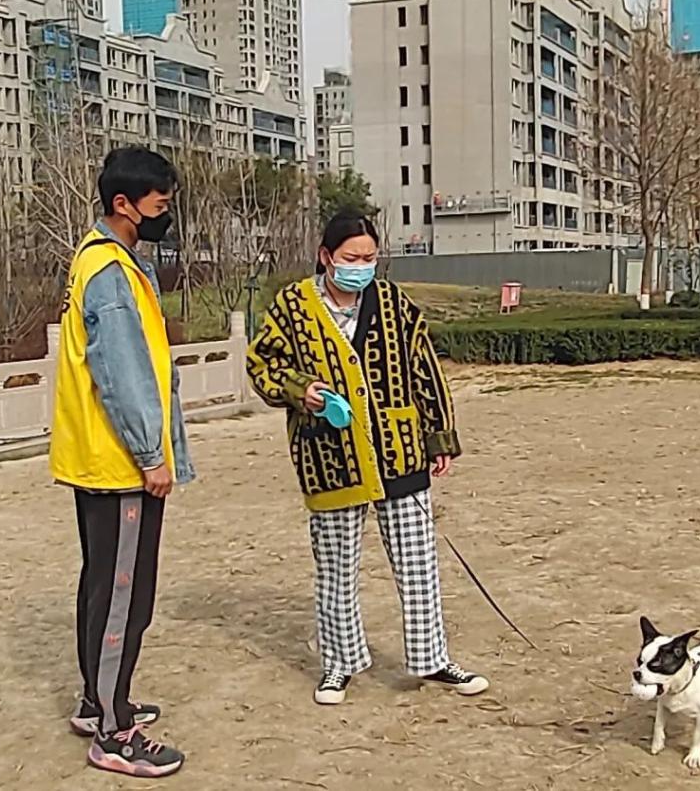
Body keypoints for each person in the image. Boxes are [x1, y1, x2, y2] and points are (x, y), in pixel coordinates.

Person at [246, 209, 489, 705]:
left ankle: (432, 657)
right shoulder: (293, 306)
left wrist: (440, 436)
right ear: (326, 256)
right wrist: (300, 389)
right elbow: (262, 363)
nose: (361, 267)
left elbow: (424, 367)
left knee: (418, 562)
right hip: (329, 455)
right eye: (351, 258)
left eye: (369, 258)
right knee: (336, 567)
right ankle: (339, 663)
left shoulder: (393, 302)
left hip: (399, 449)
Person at [49, 146, 193, 778]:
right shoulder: (110, 272)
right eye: (160, 205)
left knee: (103, 583)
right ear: (124, 205)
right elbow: (122, 372)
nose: (166, 214)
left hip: (100, 459)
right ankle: (114, 730)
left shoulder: (102, 259)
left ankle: (97, 699)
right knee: (123, 598)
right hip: (119, 464)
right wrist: (150, 453)